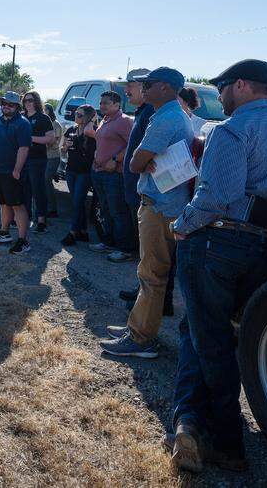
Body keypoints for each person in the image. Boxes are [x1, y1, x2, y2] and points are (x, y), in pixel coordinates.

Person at [163, 59, 267, 474]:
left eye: (222, 88)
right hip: (260, 241)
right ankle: (190, 419)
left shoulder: (229, 130)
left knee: (209, 337)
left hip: (216, 238)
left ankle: (225, 440)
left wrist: (180, 225)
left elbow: (219, 194)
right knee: (202, 330)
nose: (220, 96)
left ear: (240, 85)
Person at [102, 68, 193, 359]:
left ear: (165, 88)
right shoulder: (171, 115)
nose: (144, 89)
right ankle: (137, 327)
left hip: (160, 205)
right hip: (164, 203)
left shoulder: (166, 118)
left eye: (149, 84)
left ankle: (141, 338)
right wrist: (145, 160)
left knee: (152, 274)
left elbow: (134, 163)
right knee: (150, 271)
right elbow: (141, 160)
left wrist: (145, 160)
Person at [117, 70, 154, 304]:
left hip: (143, 189)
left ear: (144, 87)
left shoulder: (150, 112)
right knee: (142, 247)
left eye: (130, 85)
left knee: (147, 248)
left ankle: (146, 296)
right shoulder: (142, 112)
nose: (126, 90)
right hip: (135, 187)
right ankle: (141, 289)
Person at [86, 90, 136, 261]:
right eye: (101, 103)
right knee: (105, 210)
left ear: (117, 104)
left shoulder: (124, 121)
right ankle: (108, 242)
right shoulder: (105, 120)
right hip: (99, 172)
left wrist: (115, 159)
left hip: (114, 174)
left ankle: (125, 249)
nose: (102, 106)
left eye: (106, 103)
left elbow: (132, 144)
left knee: (118, 212)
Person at [0, 91, 32, 255]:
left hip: (14, 172)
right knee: (4, 203)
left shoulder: (23, 124)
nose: (6, 106)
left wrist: (17, 170)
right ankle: (4, 233)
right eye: (4, 103)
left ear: (17, 107)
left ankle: (23, 241)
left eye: (10, 104)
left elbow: (24, 148)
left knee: (18, 205)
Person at [59, 105, 97, 247]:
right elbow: (62, 149)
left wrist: (92, 121)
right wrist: (66, 146)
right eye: (76, 114)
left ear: (88, 117)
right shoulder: (71, 130)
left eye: (80, 115)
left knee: (77, 201)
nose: (76, 116)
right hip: (71, 170)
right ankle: (83, 231)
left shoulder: (92, 132)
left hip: (85, 171)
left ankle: (73, 232)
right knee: (77, 202)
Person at [22, 91, 56, 233]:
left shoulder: (43, 118)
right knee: (24, 190)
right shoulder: (21, 117)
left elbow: (51, 138)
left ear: (36, 101)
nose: (28, 103)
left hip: (37, 159)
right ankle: (25, 218)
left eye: (30, 100)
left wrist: (30, 138)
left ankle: (41, 221)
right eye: (25, 101)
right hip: (22, 159)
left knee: (38, 190)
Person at [43, 102, 62, 219]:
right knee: (43, 181)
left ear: (49, 111)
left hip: (53, 157)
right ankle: (45, 207)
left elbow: (53, 142)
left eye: (45, 109)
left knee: (46, 180)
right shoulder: (43, 123)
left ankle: (52, 209)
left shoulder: (56, 125)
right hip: (43, 157)